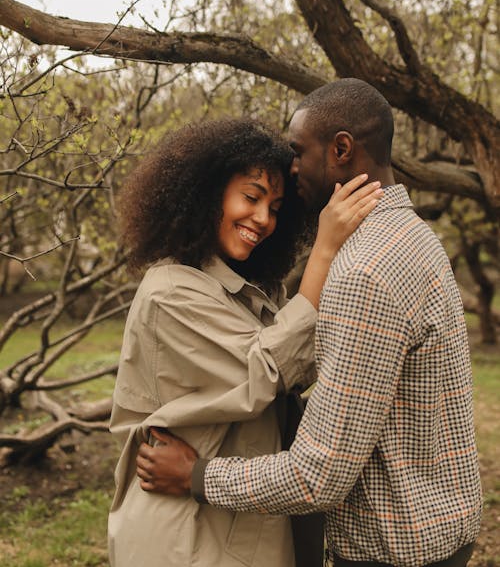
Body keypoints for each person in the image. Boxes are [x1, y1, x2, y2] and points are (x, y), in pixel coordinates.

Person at [136, 80, 482, 567]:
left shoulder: (364, 270)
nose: (291, 166)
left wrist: (197, 476)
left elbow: (317, 476)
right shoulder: (413, 235)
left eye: (297, 151)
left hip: (396, 550)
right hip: (434, 529)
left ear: (341, 148)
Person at [108, 116, 382, 567]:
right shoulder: (171, 291)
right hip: (188, 535)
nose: (263, 219)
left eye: (275, 207)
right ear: (207, 193)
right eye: (251, 197)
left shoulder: (244, 287)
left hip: (234, 520)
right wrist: (326, 249)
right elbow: (269, 368)